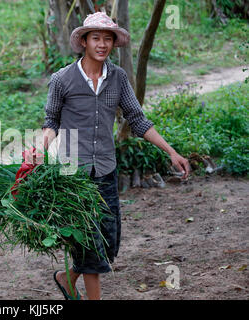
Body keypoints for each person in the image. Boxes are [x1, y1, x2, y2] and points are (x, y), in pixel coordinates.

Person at [41, 12, 190, 300]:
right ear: (84, 41)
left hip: (106, 169)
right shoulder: (62, 79)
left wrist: (171, 151)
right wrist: (39, 151)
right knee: (91, 247)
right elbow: (51, 121)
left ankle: (67, 278)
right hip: (73, 173)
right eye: (96, 38)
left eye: (107, 39)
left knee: (109, 243)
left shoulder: (118, 79)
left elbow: (137, 119)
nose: (102, 44)